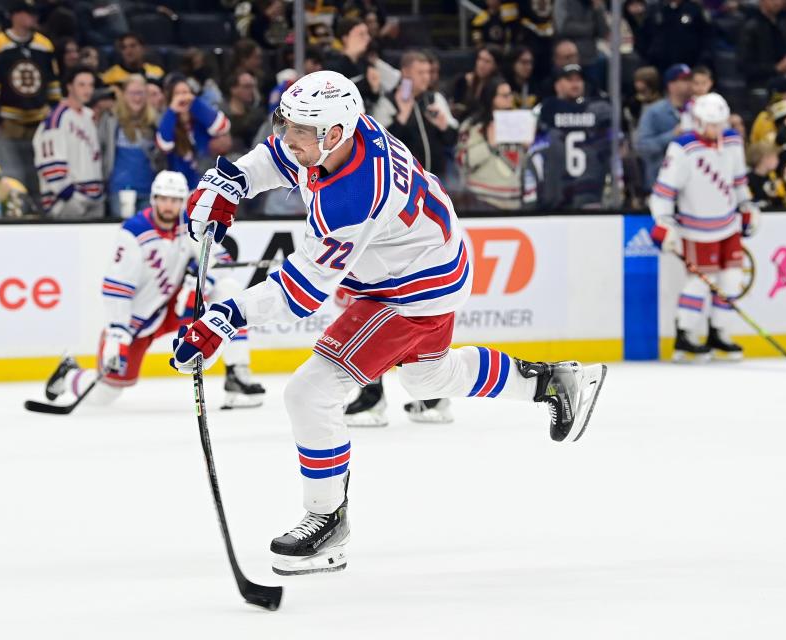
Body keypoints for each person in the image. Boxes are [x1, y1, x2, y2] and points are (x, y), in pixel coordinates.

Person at [172, 70, 607, 575]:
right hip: (427, 267)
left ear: (334, 133)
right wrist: (234, 181)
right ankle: (553, 381)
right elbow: (279, 155)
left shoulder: (353, 195)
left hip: (408, 290)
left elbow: (302, 291)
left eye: (300, 132)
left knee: (310, 393)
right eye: (286, 125)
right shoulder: (340, 135)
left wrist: (224, 320)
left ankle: (326, 521)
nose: (287, 139)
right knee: (428, 376)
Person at [41, 171, 266, 409]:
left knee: (227, 290)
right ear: (153, 199)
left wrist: (202, 279)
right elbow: (117, 288)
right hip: (138, 320)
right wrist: (117, 334)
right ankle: (68, 373)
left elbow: (221, 260)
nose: (169, 206)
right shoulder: (134, 231)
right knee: (104, 394)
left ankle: (237, 373)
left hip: (177, 305)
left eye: (175, 200)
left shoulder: (189, 223)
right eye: (164, 199)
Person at [648, 93, 760, 362]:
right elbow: (662, 193)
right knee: (699, 282)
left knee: (731, 280)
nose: (715, 129)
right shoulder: (682, 147)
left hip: (728, 225)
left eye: (720, 123)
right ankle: (684, 335)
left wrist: (747, 206)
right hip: (696, 230)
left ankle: (718, 332)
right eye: (711, 124)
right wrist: (664, 222)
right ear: (697, 121)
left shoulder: (732, 140)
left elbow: (739, 180)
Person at [532, 64, 612, 209]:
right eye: (569, 80)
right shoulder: (546, 109)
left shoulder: (597, 108)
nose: (575, 84)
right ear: (557, 85)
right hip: (556, 188)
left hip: (589, 186)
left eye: (578, 80)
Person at [33, 66, 105, 219]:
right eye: (82, 84)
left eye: (90, 85)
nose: (88, 89)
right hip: (69, 201)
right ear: (69, 86)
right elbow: (49, 161)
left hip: (94, 198)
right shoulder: (57, 118)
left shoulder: (89, 116)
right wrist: (69, 195)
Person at [371, 51, 458, 176]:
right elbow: (380, 143)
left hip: (436, 177)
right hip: (404, 179)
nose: (426, 77)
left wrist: (444, 126)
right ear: (406, 72)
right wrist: (402, 117)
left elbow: (452, 140)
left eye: (428, 72)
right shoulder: (388, 102)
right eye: (420, 72)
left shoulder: (434, 99)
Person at [0, 0, 61, 140]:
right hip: (9, 119)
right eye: (29, 13)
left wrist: (54, 112)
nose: (34, 17)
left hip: (41, 118)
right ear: (15, 15)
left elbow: (53, 83)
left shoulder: (44, 45)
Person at [457, 78, 535, 210]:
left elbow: (524, 165)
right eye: (504, 95)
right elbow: (462, 161)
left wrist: (529, 148)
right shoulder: (474, 126)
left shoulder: (520, 124)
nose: (509, 99)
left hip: (515, 202)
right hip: (481, 201)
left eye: (511, 94)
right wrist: (488, 145)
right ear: (491, 98)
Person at [98, 75, 160, 218]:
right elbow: (101, 149)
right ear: (123, 95)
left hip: (148, 189)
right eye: (132, 93)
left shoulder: (154, 121)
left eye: (140, 93)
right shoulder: (110, 119)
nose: (136, 98)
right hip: (120, 190)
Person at [156, 74, 232, 190]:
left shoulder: (200, 116)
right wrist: (172, 110)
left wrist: (194, 103)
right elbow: (165, 145)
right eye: (178, 94)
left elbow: (222, 126)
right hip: (178, 186)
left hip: (207, 183)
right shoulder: (167, 119)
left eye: (186, 92)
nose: (182, 97)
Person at [635, 63, 693, 189]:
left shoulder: (699, 109)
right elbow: (642, 146)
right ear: (671, 85)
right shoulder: (654, 112)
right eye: (684, 80)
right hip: (662, 181)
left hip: (693, 184)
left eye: (690, 80)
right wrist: (672, 135)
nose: (689, 84)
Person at [738, 0, 786, 95]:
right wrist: (775, 68)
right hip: (761, 85)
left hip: (785, 83)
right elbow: (743, 65)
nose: (777, 2)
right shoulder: (750, 27)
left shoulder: (784, 24)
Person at [451, 45, 501, 121]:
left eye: (487, 61)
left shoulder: (499, 86)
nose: (481, 64)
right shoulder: (464, 81)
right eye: (480, 59)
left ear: (495, 65)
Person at [100, 33, 165, 88]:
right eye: (123, 48)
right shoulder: (110, 77)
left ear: (143, 48)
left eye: (133, 46)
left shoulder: (156, 72)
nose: (128, 51)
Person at [224, 71, 267, 153]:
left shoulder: (257, 115)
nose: (251, 91)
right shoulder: (222, 115)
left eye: (253, 87)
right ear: (233, 89)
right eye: (247, 87)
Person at [746, 141, 782, 208]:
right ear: (764, 158)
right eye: (774, 156)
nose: (777, 160)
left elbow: (779, 204)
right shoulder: (748, 180)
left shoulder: (773, 179)